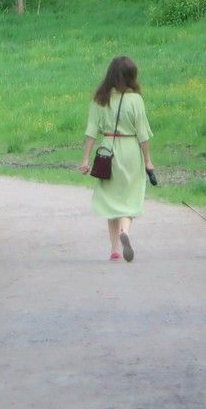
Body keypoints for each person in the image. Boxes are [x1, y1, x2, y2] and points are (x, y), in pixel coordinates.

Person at [79, 56, 154, 262]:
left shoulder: (100, 99)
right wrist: (148, 160)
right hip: (130, 150)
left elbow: (91, 132)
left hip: (107, 151)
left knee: (111, 199)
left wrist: (85, 159)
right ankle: (126, 232)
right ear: (131, 77)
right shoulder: (136, 100)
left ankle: (114, 249)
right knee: (131, 196)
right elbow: (143, 134)